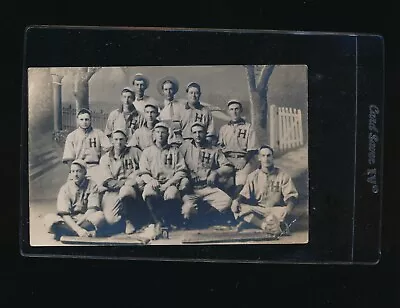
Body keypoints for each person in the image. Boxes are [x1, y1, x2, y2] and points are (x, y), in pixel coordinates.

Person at [231, 145, 299, 235]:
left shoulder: (283, 175)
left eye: (268, 155)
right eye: (263, 156)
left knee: (284, 213)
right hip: (259, 210)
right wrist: (236, 201)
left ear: (272, 157)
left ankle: (263, 223)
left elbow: (291, 196)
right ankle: (263, 225)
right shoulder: (252, 176)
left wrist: (288, 209)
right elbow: (244, 194)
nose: (266, 159)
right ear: (259, 158)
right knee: (239, 208)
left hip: (276, 210)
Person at [179, 122, 234, 226]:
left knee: (227, 201)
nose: (197, 135)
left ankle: (204, 217)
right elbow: (176, 166)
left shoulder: (214, 149)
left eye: (200, 132)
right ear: (191, 134)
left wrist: (215, 172)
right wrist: (184, 180)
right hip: (191, 189)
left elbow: (229, 167)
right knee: (187, 210)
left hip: (208, 187)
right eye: (194, 132)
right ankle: (200, 218)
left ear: (205, 133)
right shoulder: (184, 148)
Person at [138, 122, 188, 237]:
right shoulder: (147, 151)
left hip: (169, 183)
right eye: (158, 132)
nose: (160, 135)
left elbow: (181, 171)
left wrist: (169, 183)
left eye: (163, 132)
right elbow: (143, 172)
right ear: (154, 134)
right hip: (154, 181)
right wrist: (151, 180)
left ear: (168, 134)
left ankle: (167, 220)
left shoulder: (174, 151)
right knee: (148, 191)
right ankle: (157, 221)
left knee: (172, 193)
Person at [44, 160, 106, 241]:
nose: (75, 174)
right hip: (69, 219)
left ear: (85, 172)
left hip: (85, 218)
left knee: (100, 216)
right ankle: (82, 233)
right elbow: (64, 214)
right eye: (73, 171)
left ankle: (66, 233)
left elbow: (92, 209)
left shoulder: (92, 185)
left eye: (78, 171)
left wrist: (78, 225)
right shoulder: (65, 188)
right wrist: (78, 229)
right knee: (48, 218)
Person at [99, 130, 143, 234]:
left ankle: (130, 221)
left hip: (131, 188)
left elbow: (145, 166)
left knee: (126, 191)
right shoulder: (105, 158)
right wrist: (126, 182)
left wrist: (136, 175)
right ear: (112, 141)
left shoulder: (135, 152)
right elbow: (108, 181)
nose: (119, 142)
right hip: (112, 190)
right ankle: (122, 223)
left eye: (121, 139)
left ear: (126, 140)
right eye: (116, 139)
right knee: (111, 219)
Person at [218, 99, 259, 197]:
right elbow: (219, 147)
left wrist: (243, 161)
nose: (234, 112)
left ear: (241, 111)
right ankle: (223, 204)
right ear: (228, 112)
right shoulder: (224, 128)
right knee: (220, 180)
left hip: (243, 159)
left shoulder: (248, 127)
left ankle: (234, 202)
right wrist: (224, 161)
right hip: (227, 159)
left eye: (236, 109)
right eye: (231, 109)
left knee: (242, 182)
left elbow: (252, 149)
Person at [62, 108, 112, 186]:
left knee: (100, 186)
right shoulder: (72, 136)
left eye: (86, 119)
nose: (84, 122)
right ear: (77, 120)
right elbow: (69, 159)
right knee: (70, 188)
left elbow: (109, 149)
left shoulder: (98, 133)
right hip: (79, 167)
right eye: (81, 119)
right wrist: (74, 170)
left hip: (95, 166)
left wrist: (103, 161)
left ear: (90, 120)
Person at [157, 76, 186, 146]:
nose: (168, 92)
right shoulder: (159, 107)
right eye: (166, 89)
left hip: (179, 138)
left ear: (174, 90)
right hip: (165, 140)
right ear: (163, 91)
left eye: (170, 89)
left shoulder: (181, 105)